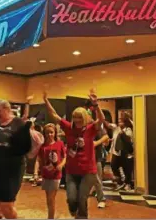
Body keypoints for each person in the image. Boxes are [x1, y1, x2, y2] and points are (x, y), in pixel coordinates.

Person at [43, 89, 105, 219]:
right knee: (72, 199)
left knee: (82, 199)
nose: (76, 120)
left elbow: (101, 119)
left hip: (88, 171)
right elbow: (54, 115)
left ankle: (81, 216)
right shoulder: (68, 127)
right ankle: (75, 211)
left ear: (85, 118)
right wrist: (45, 100)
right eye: (75, 117)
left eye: (79, 117)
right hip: (72, 171)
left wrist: (96, 105)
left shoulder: (90, 129)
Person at [0, 99, 43, 219]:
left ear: (7, 110)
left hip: (12, 170)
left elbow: (33, 142)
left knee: (6, 205)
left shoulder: (18, 123)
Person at [38, 123, 66, 219]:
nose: (49, 135)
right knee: (48, 199)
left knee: (51, 198)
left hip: (55, 175)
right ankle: (51, 216)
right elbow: (40, 160)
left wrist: (61, 165)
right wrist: (37, 173)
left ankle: (50, 218)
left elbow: (65, 157)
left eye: (51, 132)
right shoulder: (42, 147)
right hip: (46, 175)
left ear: (55, 133)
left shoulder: (60, 144)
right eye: (47, 133)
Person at [92, 122, 109, 208]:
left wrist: (96, 143)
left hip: (95, 157)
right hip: (83, 157)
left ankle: (101, 198)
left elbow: (106, 137)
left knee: (97, 178)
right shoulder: (78, 128)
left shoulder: (96, 127)